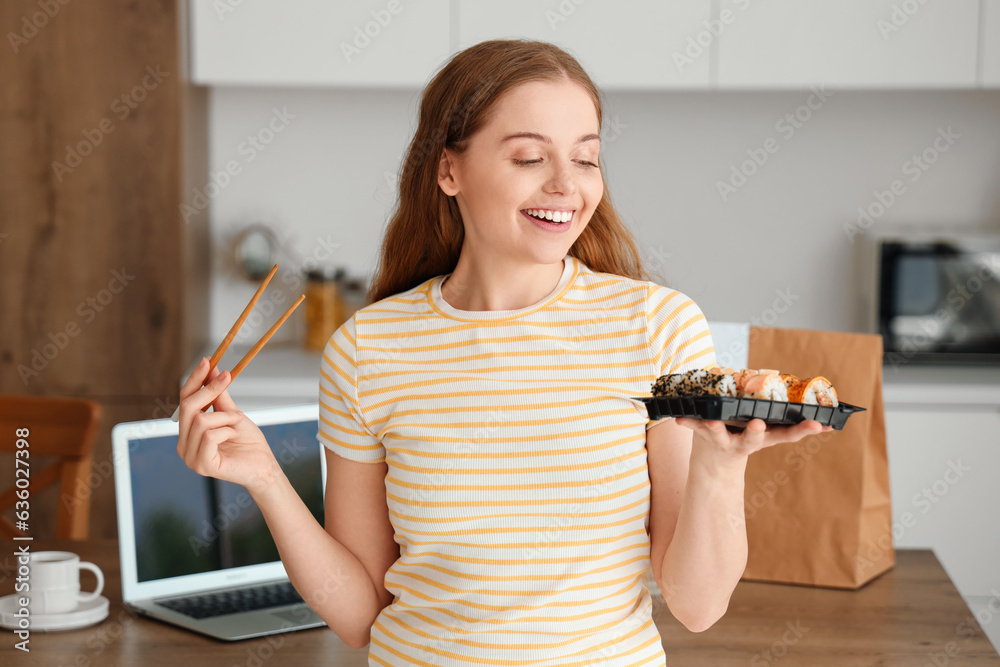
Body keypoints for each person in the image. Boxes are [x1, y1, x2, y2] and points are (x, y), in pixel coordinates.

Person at [176, 39, 832, 666]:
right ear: (448, 169)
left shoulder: (656, 325)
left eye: (585, 157)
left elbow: (696, 605)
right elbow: (360, 615)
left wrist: (720, 466)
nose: (566, 186)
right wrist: (264, 476)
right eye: (528, 158)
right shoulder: (366, 348)